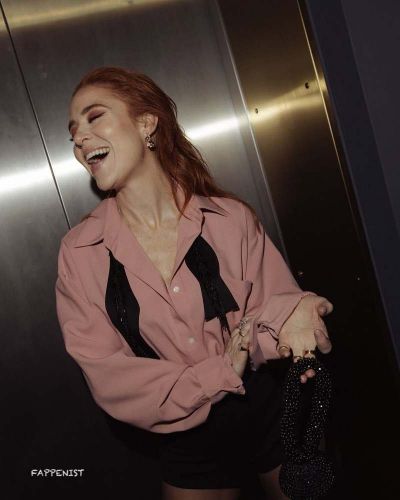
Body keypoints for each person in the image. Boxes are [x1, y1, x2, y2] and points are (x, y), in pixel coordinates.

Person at [55, 66, 333, 500]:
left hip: (271, 411)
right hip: (184, 436)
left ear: (147, 123)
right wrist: (215, 374)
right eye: (74, 131)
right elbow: (107, 374)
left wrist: (295, 315)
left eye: (94, 117)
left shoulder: (230, 219)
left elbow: (272, 309)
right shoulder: (80, 252)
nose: (80, 139)